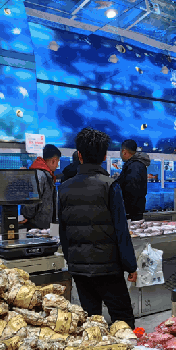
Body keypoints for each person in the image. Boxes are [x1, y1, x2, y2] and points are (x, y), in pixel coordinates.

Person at [58, 127, 138, 328]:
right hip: (108, 268)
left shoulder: (64, 188)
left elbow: (63, 231)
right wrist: (130, 265)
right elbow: (121, 230)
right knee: (123, 320)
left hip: (79, 268)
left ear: (79, 155)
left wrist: (72, 261)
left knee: (91, 322)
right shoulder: (110, 186)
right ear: (104, 156)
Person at [20, 144, 61, 230]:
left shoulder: (45, 174)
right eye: (57, 162)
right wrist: (27, 216)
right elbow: (32, 200)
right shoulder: (39, 175)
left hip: (42, 226)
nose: (57, 166)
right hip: (36, 226)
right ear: (53, 160)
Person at [115, 139, 151, 221]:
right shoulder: (135, 165)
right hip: (135, 212)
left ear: (124, 152)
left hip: (131, 214)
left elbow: (132, 191)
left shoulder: (134, 166)